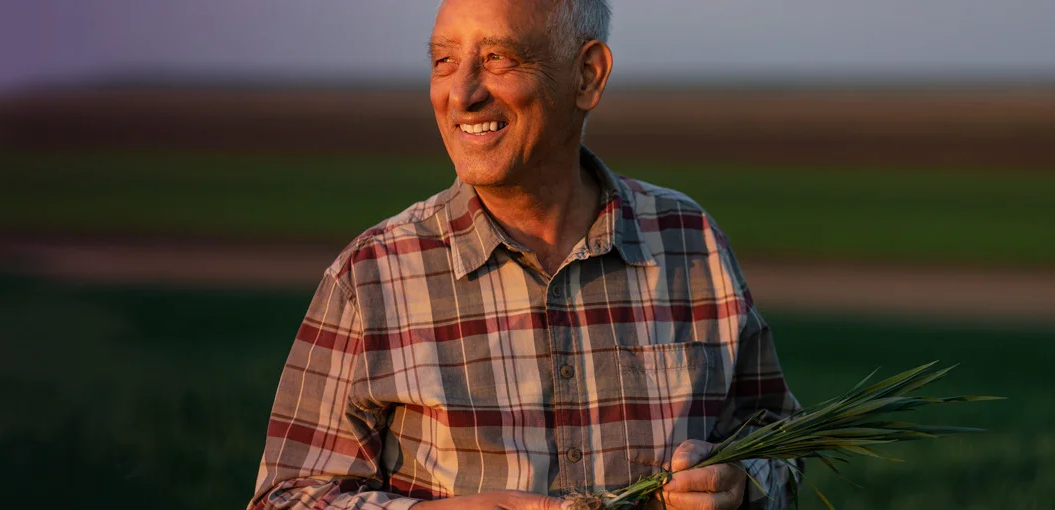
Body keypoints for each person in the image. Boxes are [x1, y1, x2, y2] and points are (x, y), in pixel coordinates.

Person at [248, 1, 801, 509]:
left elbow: (781, 439)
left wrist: (741, 483)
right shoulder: (372, 276)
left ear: (588, 75)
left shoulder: (689, 242)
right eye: (443, 60)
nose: (461, 93)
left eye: (497, 58)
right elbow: (285, 496)